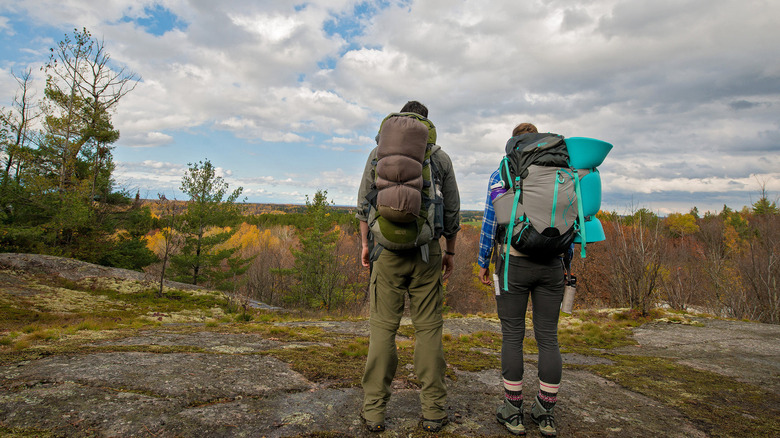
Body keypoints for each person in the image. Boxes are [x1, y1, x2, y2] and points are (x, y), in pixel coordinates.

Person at [357, 100, 461, 433]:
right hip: (427, 253)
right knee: (428, 329)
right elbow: (453, 213)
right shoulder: (439, 157)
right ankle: (433, 411)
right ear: (425, 126)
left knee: (383, 329)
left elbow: (363, 205)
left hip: (385, 252)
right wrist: (451, 252)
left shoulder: (378, 153)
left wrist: (365, 245)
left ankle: (374, 412)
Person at [477, 122, 564, 437]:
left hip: (513, 264)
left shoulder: (501, 173)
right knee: (548, 338)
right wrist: (565, 266)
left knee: (512, 336)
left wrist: (483, 261)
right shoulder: (562, 174)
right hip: (552, 265)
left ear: (514, 144)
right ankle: (546, 413)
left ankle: (512, 411)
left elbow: (491, 221)